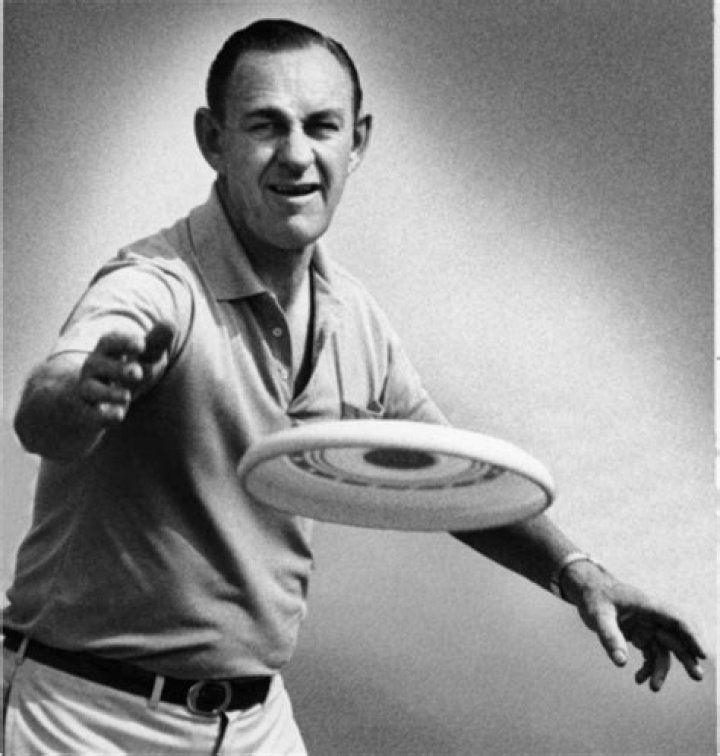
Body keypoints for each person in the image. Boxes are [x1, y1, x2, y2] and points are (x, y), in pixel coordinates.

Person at [3, 18, 706, 756]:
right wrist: (84, 394)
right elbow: (45, 414)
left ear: (357, 142)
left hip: (251, 723)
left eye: (321, 126)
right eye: (265, 126)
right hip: (85, 717)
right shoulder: (155, 285)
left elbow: (451, 477)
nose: (296, 154)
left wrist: (580, 574)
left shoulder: (353, 317)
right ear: (214, 140)